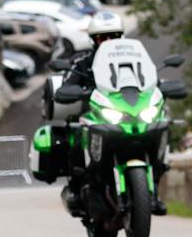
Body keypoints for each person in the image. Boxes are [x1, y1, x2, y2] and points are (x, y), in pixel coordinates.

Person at [56, 12, 168, 213]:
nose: (108, 41)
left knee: (162, 125)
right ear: (94, 40)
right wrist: (72, 90)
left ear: (121, 35)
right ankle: (75, 188)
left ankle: (154, 191)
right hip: (97, 114)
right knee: (76, 138)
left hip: (133, 112)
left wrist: (163, 87)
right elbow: (66, 86)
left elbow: (152, 82)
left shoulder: (137, 59)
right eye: (102, 37)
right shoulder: (83, 62)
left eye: (113, 36)